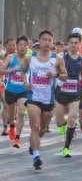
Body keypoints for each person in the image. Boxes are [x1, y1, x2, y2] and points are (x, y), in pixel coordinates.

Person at [22, 30, 68, 169]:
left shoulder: (57, 59)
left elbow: (65, 76)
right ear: (39, 41)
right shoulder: (30, 58)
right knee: (35, 127)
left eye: (50, 40)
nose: (47, 42)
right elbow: (23, 72)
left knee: (41, 130)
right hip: (33, 96)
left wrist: (56, 74)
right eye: (44, 39)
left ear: (52, 42)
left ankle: (34, 144)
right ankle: (36, 156)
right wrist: (26, 82)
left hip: (48, 98)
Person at [53, 32, 82, 157]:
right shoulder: (61, 56)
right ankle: (64, 121)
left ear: (80, 44)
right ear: (67, 44)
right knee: (59, 122)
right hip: (61, 93)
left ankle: (66, 148)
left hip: (75, 93)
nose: (73, 45)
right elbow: (53, 69)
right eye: (71, 43)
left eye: (76, 43)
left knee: (72, 118)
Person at [0, 35, 29, 148]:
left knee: (21, 112)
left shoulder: (29, 60)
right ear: (17, 46)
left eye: (25, 45)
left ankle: (17, 138)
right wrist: (11, 70)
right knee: (11, 115)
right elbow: (1, 70)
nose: (22, 47)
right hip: (10, 90)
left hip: (23, 91)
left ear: (27, 47)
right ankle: (12, 125)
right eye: (20, 45)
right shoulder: (11, 58)